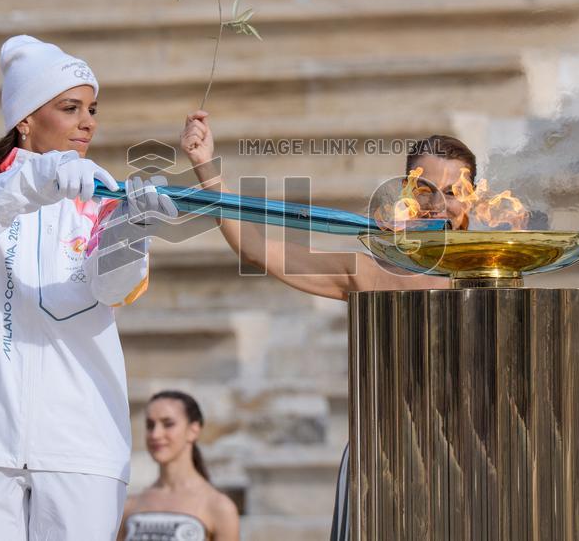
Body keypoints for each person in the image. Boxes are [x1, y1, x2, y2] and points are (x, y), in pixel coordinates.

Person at [179, 110, 478, 540]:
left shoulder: (495, 269)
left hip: (469, 459)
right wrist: (205, 166)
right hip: (382, 458)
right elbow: (257, 250)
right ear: (407, 192)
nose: (439, 204)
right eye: (427, 189)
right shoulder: (369, 271)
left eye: (453, 192)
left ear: (472, 197)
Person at [0, 34, 177, 540]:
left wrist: (132, 230)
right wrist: (36, 180)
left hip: (81, 444)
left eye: (92, 109)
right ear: (25, 118)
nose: (88, 122)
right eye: (70, 107)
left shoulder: (103, 200)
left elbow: (114, 289)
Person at [120, 390, 240, 540]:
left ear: (193, 430)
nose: (155, 434)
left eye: (168, 424)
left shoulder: (219, 507)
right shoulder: (130, 506)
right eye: (150, 425)